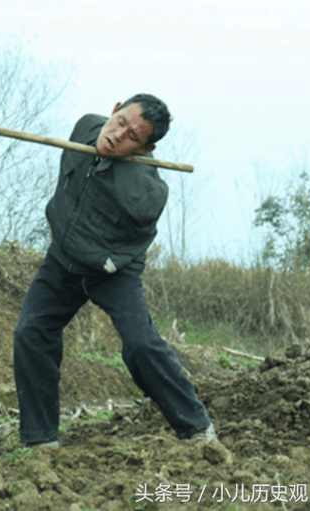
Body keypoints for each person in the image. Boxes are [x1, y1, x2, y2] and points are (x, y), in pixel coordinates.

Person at [13, 94, 216, 447]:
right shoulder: (85, 127)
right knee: (32, 333)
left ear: (146, 147)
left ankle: (198, 430)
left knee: (141, 345)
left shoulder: (146, 190)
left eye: (133, 137)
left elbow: (137, 241)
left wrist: (109, 263)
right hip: (62, 260)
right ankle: (39, 440)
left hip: (111, 270)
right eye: (120, 122)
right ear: (114, 110)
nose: (118, 136)